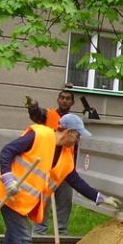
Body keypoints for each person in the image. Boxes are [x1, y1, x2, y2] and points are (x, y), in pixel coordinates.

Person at [0, 114, 121, 244]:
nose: (79, 139)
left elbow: (76, 181)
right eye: (78, 135)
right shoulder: (40, 135)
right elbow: (7, 151)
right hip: (9, 193)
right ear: (69, 132)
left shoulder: (66, 157)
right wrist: (8, 179)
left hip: (24, 202)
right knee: (22, 238)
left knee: (13, 239)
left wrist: (100, 198)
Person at [25, 87, 76, 236]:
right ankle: (39, 233)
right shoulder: (48, 115)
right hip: (47, 166)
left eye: (68, 98)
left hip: (65, 168)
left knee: (64, 203)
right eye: (62, 97)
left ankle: (61, 232)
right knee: (43, 202)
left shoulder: (74, 121)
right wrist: (33, 107)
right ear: (58, 100)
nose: (64, 100)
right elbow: (37, 115)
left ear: (72, 102)